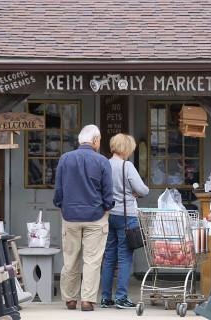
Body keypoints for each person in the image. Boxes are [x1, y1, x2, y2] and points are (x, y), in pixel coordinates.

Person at [53, 124, 114, 312]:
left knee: (70, 258)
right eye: (99, 140)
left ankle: (70, 299)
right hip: (96, 216)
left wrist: (61, 205)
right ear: (95, 140)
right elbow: (108, 192)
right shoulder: (102, 161)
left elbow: (58, 190)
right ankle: (87, 300)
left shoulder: (65, 159)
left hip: (70, 216)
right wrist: (107, 208)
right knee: (92, 260)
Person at [100, 133, 149, 309]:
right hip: (127, 216)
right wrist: (133, 192)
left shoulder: (103, 164)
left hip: (107, 215)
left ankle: (106, 298)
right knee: (125, 257)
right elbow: (143, 190)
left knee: (109, 257)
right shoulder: (126, 166)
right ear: (127, 148)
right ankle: (121, 297)